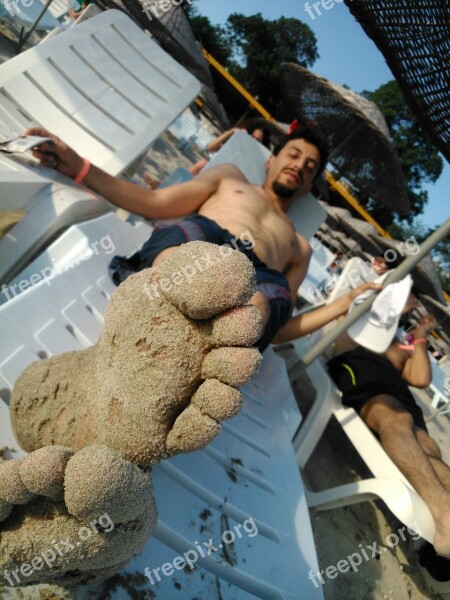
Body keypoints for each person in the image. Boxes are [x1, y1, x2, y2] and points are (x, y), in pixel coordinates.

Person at [27, 125, 327, 351]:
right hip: (206, 243)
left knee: (268, 302)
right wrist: (80, 167)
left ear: (308, 187)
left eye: (309, 168)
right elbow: (154, 202)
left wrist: (346, 304)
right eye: (294, 155)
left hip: (257, 278)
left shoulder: (300, 247)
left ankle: (199, 344)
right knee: (190, 240)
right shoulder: (230, 178)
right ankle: (170, 317)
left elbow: (280, 328)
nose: (300, 166)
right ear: (270, 160)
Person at [327, 306, 450, 564]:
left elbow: (420, 378)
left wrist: (420, 336)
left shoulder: (402, 345)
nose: (416, 305)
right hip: (361, 363)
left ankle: (437, 553)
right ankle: (444, 514)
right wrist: (387, 305)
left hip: (397, 386)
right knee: (396, 419)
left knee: (428, 445)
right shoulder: (371, 315)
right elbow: (345, 319)